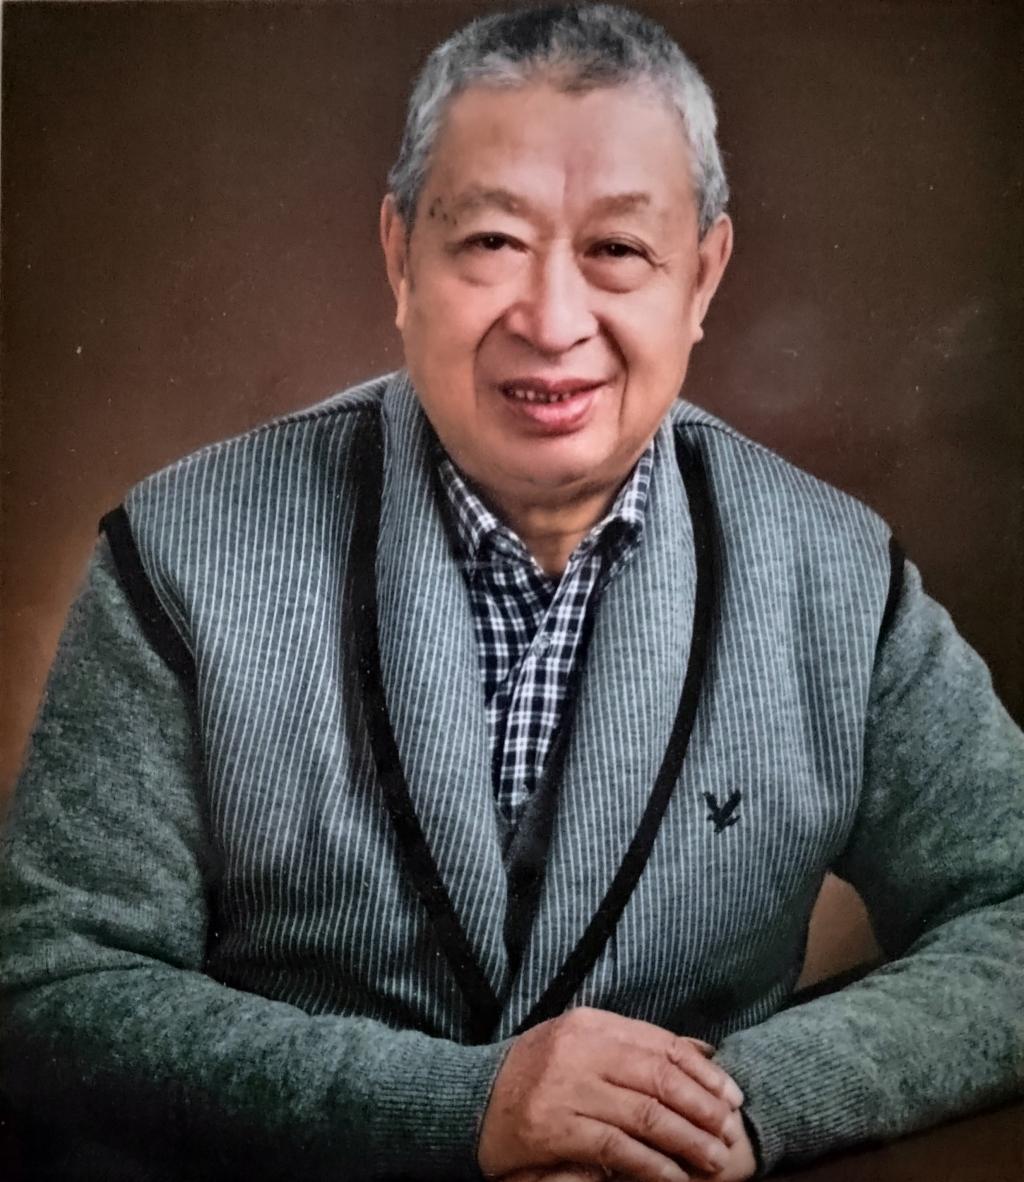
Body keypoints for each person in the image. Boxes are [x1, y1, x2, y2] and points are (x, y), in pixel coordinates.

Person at [1, 4, 1021, 1180]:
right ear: (400, 257)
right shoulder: (183, 551)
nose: (550, 321)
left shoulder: (835, 576)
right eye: (490, 240)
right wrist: (460, 1107)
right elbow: (54, 985)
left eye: (617, 250)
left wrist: (722, 1107)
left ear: (702, 275)